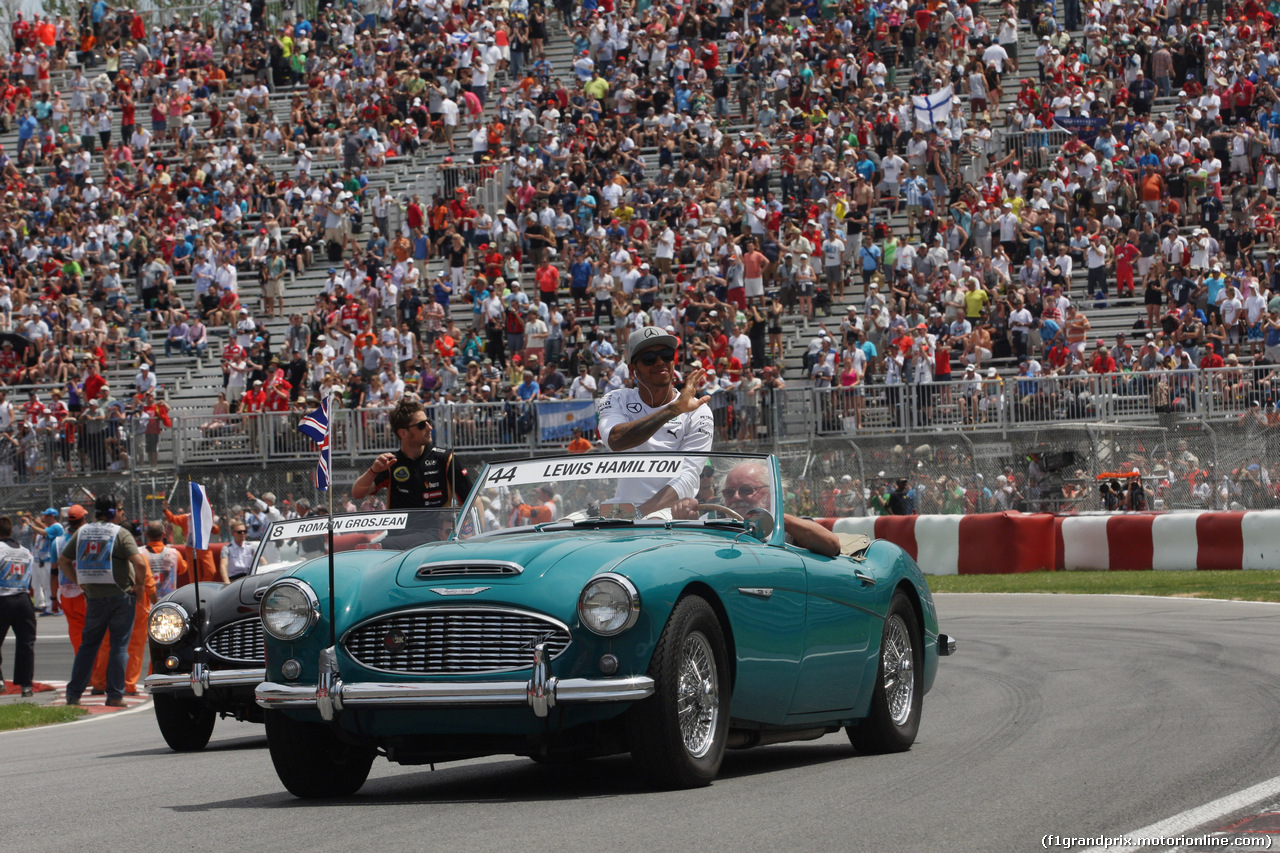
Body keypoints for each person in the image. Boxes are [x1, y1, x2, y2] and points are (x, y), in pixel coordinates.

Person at [595, 327, 714, 516]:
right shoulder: (616, 398)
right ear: (632, 369)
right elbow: (615, 440)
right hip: (621, 508)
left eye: (666, 355)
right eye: (649, 358)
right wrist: (673, 410)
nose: (660, 362)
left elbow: (688, 476)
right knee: (562, 527)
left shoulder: (699, 410)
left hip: (670, 512)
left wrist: (639, 514)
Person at [58, 494, 148, 707]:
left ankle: (73, 694)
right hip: (121, 597)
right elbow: (140, 564)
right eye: (119, 509)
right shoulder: (121, 533)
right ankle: (115, 695)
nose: (121, 512)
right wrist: (140, 586)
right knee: (119, 646)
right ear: (111, 512)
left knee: (88, 646)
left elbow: (63, 561)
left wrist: (78, 581)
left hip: (94, 598)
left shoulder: (82, 532)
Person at [352, 398, 473, 509]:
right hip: (400, 533)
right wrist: (373, 471)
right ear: (403, 433)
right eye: (421, 425)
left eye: (428, 422)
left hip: (438, 532)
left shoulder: (446, 459)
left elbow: (473, 501)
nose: (429, 427)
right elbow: (357, 493)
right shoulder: (391, 463)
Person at [718, 460, 840, 557]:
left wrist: (771, 519)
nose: (736, 497)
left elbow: (832, 546)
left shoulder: (788, 529)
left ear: (771, 494)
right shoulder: (717, 532)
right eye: (729, 492)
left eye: (746, 490)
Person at [0, 515, 37, 697]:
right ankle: (26, 685)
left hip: (3, 599)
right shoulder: (25, 552)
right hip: (23, 599)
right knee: (26, 643)